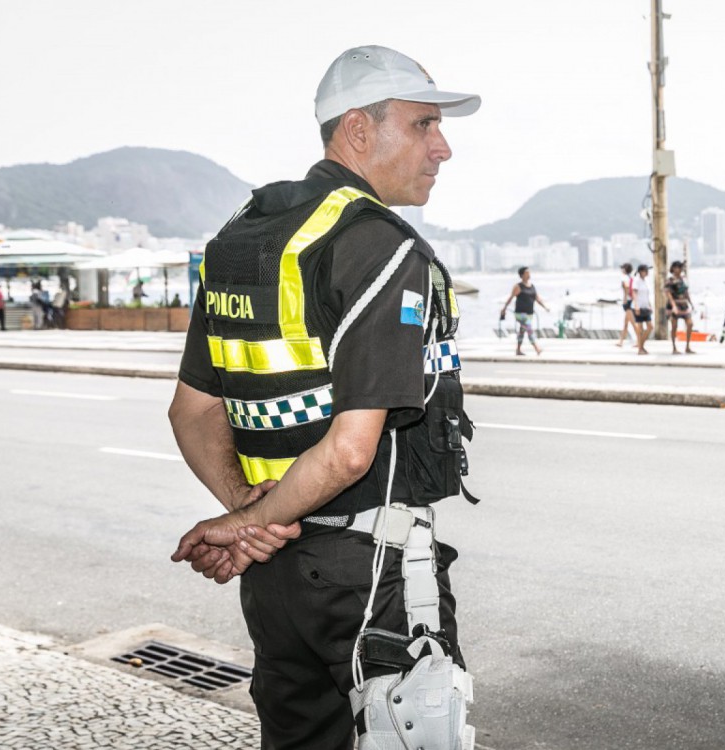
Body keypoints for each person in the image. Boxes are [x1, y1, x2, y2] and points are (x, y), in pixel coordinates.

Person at [167, 45, 481, 749]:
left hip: (277, 576)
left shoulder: (244, 238)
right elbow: (348, 451)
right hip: (371, 576)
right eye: (424, 125)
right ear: (359, 131)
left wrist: (250, 517)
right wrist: (249, 522)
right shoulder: (379, 246)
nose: (444, 148)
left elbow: (191, 411)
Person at [500, 266, 548, 356]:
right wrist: (504, 308)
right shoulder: (518, 286)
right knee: (529, 328)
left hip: (529, 314)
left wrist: (545, 307)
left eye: (529, 272)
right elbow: (510, 298)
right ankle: (537, 348)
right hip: (520, 314)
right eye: (527, 273)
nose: (529, 274)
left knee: (522, 331)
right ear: (522, 275)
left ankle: (518, 350)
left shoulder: (532, 286)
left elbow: (537, 299)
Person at [664, 260, 695, 354]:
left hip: (683, 304)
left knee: (690, 324)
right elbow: (668, 294)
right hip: (674, 304)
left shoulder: (683, 279)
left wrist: (691, 303)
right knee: (674, 326)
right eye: (677, 267)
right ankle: (674, 347)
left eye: (679, 268)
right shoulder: (670, 280)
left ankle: (687, 346)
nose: (678, 269)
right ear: (673, 268)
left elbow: (686, 292)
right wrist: (673, 306)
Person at [631, 264, 655, 354]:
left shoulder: (646, 281)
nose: (647, 272)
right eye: (645, 270)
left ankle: (641, 346)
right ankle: (640, 348)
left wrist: (650, 305)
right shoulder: (636, 280)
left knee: (650, 327)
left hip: (646, 307)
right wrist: (636, 305)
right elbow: (634, 293)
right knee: (640, 328)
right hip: (639, 307)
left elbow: (647, 295)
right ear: (641, 271)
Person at [616, 262, 634, 347]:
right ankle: (621, 341)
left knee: (633, 323)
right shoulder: (631, 277)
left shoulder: (624, 277)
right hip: (631, 301)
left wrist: (625, 299)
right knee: (626, 323)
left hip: (628, 302)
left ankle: (640, 341)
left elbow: (626, 287)